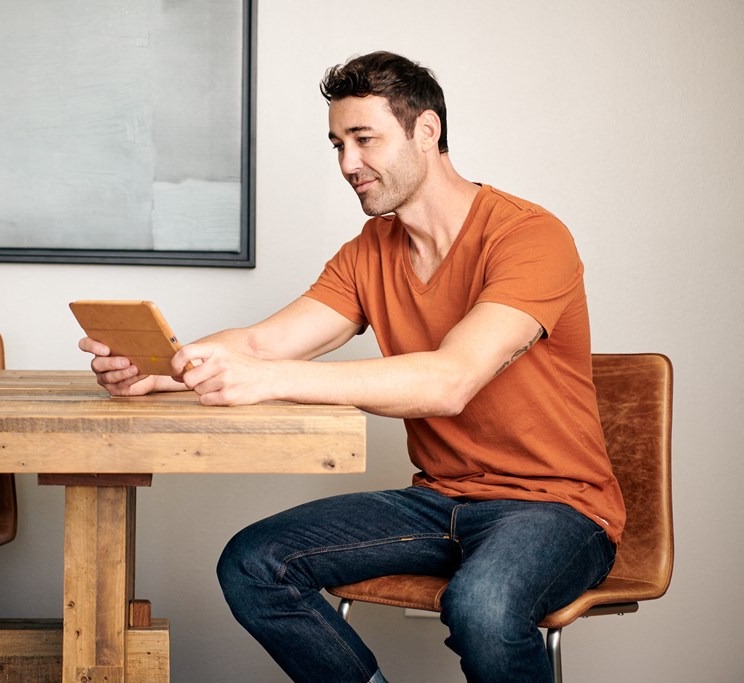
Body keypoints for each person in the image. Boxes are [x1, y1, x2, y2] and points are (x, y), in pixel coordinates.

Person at [78, 51, 625, 683]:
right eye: (338, 144)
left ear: (427, 130)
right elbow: (261, 345)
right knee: (255, 562)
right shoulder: (369, 252)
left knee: (482, 604)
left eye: (365, 140)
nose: (347, 164)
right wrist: (161, 368)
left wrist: (274, 383)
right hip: (440, 502)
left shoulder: (529, 237)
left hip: (558, 508)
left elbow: (450, 381)